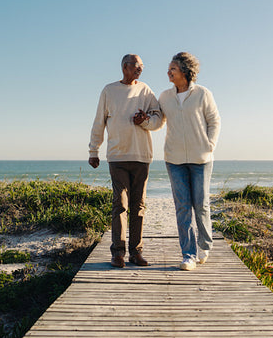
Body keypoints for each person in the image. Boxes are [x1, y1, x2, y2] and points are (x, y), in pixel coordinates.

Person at [89, 54, 162, 268]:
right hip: (117, 156)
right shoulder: (109, 90)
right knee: (120, 204)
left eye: (142, 66)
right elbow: (99, 121)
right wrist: (94, 150)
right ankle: (118, 253)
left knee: (138, 206)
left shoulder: (146, 90)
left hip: (141, 156)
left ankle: (136, 252)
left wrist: (145, 120)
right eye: (137, 66)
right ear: (125, 67)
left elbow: (159, 119)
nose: (140, 69)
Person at [159, 52, 220, 271]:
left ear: (185, 71)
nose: (168, 72)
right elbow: (158, 120)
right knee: (182, 207)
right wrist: (145, 120)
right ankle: (188, 254)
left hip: (201, 159)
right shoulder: (165, 96)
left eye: (172, 69)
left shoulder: (203, 94)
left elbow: (214, 121)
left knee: (201, 204)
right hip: (174, 159)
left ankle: (205, 246)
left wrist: (209, 145)